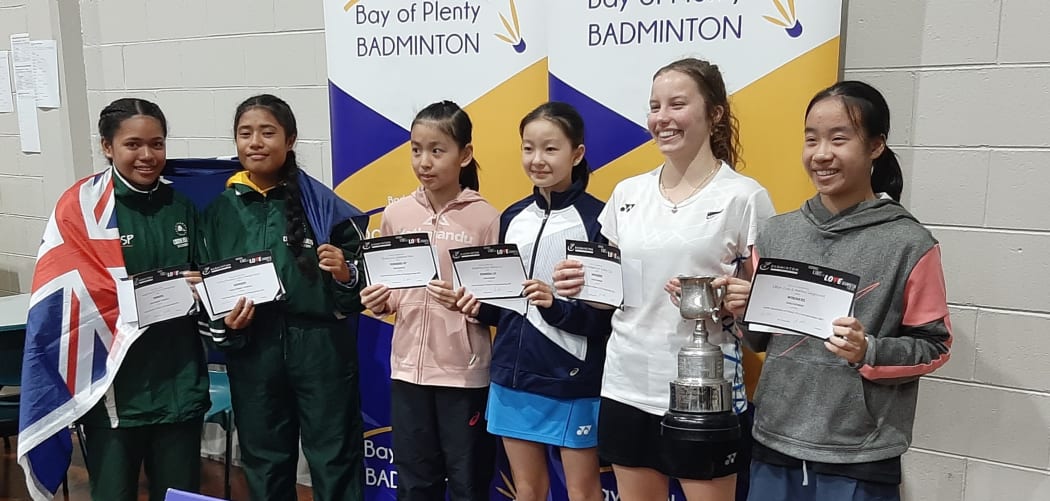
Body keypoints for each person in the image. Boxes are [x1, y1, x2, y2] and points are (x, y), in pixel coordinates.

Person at [552, 58, 776, 501]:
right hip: (626, 383)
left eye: (677, 104)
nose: (662, 118)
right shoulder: (627, 193)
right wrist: (584, 288)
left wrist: (738, 300)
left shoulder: (745, 197)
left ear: (714, 115)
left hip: (705, 393)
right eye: (655, 106)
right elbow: (611, 298)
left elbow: (762, 321)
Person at [728, 81, 952, 501]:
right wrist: (742, 310)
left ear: (876, 146)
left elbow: (934, 346)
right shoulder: (777, 233)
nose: (821, 154)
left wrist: (868, 349)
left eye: (839, 138)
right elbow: (760, 341)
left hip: (860, 455)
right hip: (774, 440)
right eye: (811, 139)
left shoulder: (909, 244)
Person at [198, 94, 367, 501]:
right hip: (254, 351)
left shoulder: (326, 206)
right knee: (264, 461)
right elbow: (206, 290)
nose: (255, 142)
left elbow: (360, 292)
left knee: (334, 459)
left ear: (290, 139)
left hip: (321, 349)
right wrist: (226, 324)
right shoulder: (217, 212)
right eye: (245, 133)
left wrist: (345, 275)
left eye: (267, 132)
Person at [455, 102, 612, 501]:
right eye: (528, 148)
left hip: (571, 377)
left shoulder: (600, 220)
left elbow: (604, 320)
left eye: (550, 149)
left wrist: (553, 305)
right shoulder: (512, 217)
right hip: (511, 376)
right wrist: (477, 305)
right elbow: (507, 306)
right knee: (527, 489)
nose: (537, 160)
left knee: (583, 492)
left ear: (577, 154)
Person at [358, 100, 499, 501]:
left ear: (464, 154)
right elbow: (387, 295)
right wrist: (377, 299)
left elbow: (499, 303)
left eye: (437, 150)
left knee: (467, 481)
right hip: (407, 373)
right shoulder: (396, 214)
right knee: (415, 481)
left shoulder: (485, 218)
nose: (425, 161)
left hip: (463, 374)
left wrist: (465, 302)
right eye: (416, 150)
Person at [76, 98, 210, 501]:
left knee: (180, 496)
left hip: (178, 385)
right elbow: (71, 299)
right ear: (107, 147)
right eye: (133, 144)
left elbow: (206, 285)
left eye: (157, 144)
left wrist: (200, 285)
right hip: (115, 392)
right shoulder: (84, 211)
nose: (148, 156)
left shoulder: (181, 206)